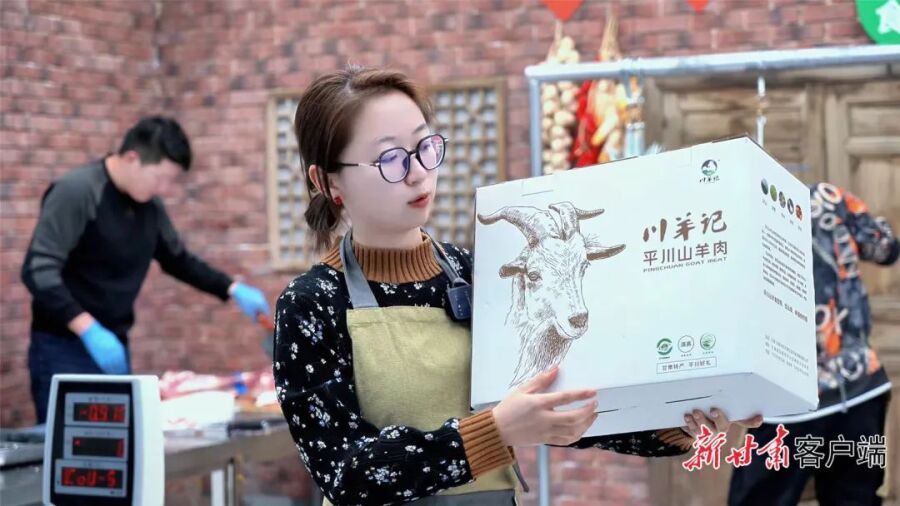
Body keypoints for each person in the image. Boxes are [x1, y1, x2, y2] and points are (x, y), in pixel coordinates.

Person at [273, 66, 762, 505]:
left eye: (425, 148)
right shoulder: (311, 304)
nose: (419, 172)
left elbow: (562, 403)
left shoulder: (475, 272)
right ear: (327, 182)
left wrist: (679, 417)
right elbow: (345, 472)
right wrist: (495, 431)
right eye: (391, 160)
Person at [21, 116, 271, 424]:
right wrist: (87, 328)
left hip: (114, 345)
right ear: (132, 158)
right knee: (71, 444)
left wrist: (231, 287)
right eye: (161, 178)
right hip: (64, 347)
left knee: (117, 444)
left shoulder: (150, 207)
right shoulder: (77, 192)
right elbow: (38, 269)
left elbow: (178, 260)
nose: (165, 189)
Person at [729, 182, 898, 506]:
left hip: (787, 395)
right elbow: (886, 248)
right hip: (858, 388)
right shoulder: (828, 199)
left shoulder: (736, 209)